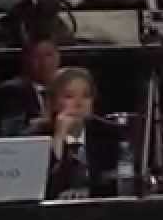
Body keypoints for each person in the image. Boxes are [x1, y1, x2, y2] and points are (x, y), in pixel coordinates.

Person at [26, 67, 131, 200]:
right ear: (54, 102)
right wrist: (59, 137)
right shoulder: (36, 136)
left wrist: (89, 192)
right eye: (69, 96)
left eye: (86, 96)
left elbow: (116, 183)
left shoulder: (110, 133)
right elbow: (37, 187)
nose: (79, 104)